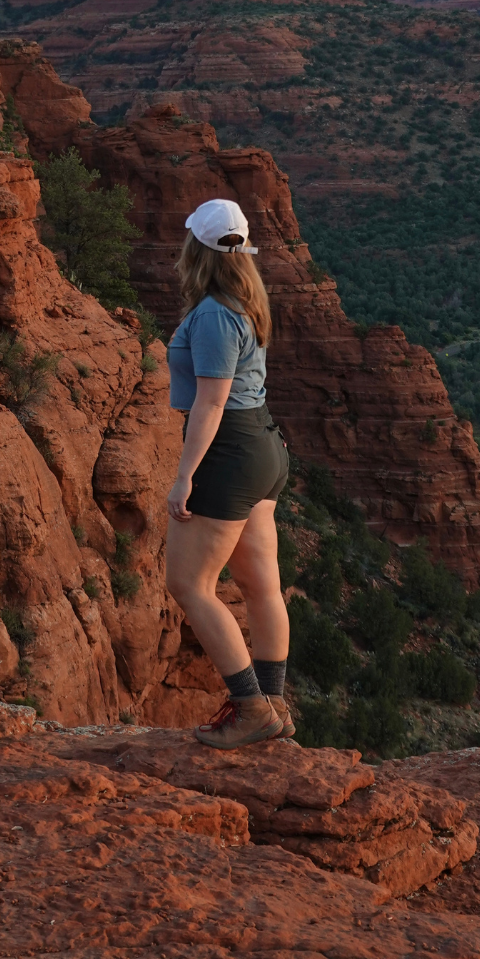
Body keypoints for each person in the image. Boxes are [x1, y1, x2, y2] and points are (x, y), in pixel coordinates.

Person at [165, 198, 292, 749]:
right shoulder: (246, 299)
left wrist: (184, 475)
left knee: (188, 584)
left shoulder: (216, 313)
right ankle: (274, 706)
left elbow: (211, 405)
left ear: (197, 248)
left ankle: (251, 709)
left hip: (230, 453)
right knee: (262, 587)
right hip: (264, 447)